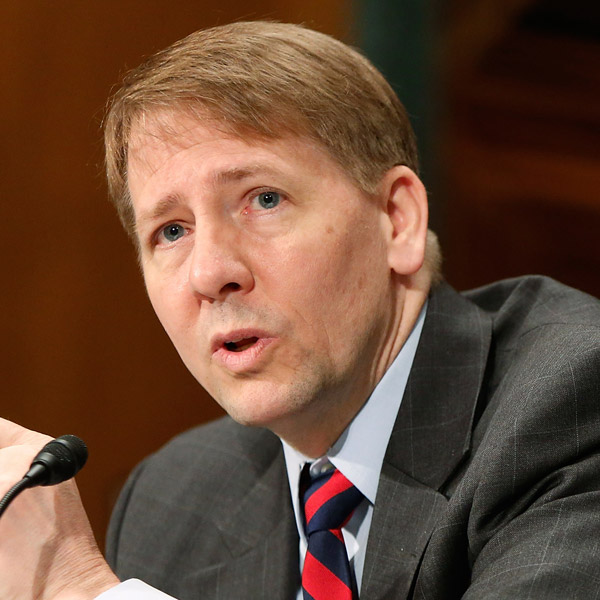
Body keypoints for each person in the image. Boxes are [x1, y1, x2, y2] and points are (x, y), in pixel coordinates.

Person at [1, 20, 599, 600]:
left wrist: (76, 589)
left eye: (264, 199)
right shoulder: (172, 501)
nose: (210, 273)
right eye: (172, 231)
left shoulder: (570, 404)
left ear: (398, 220)